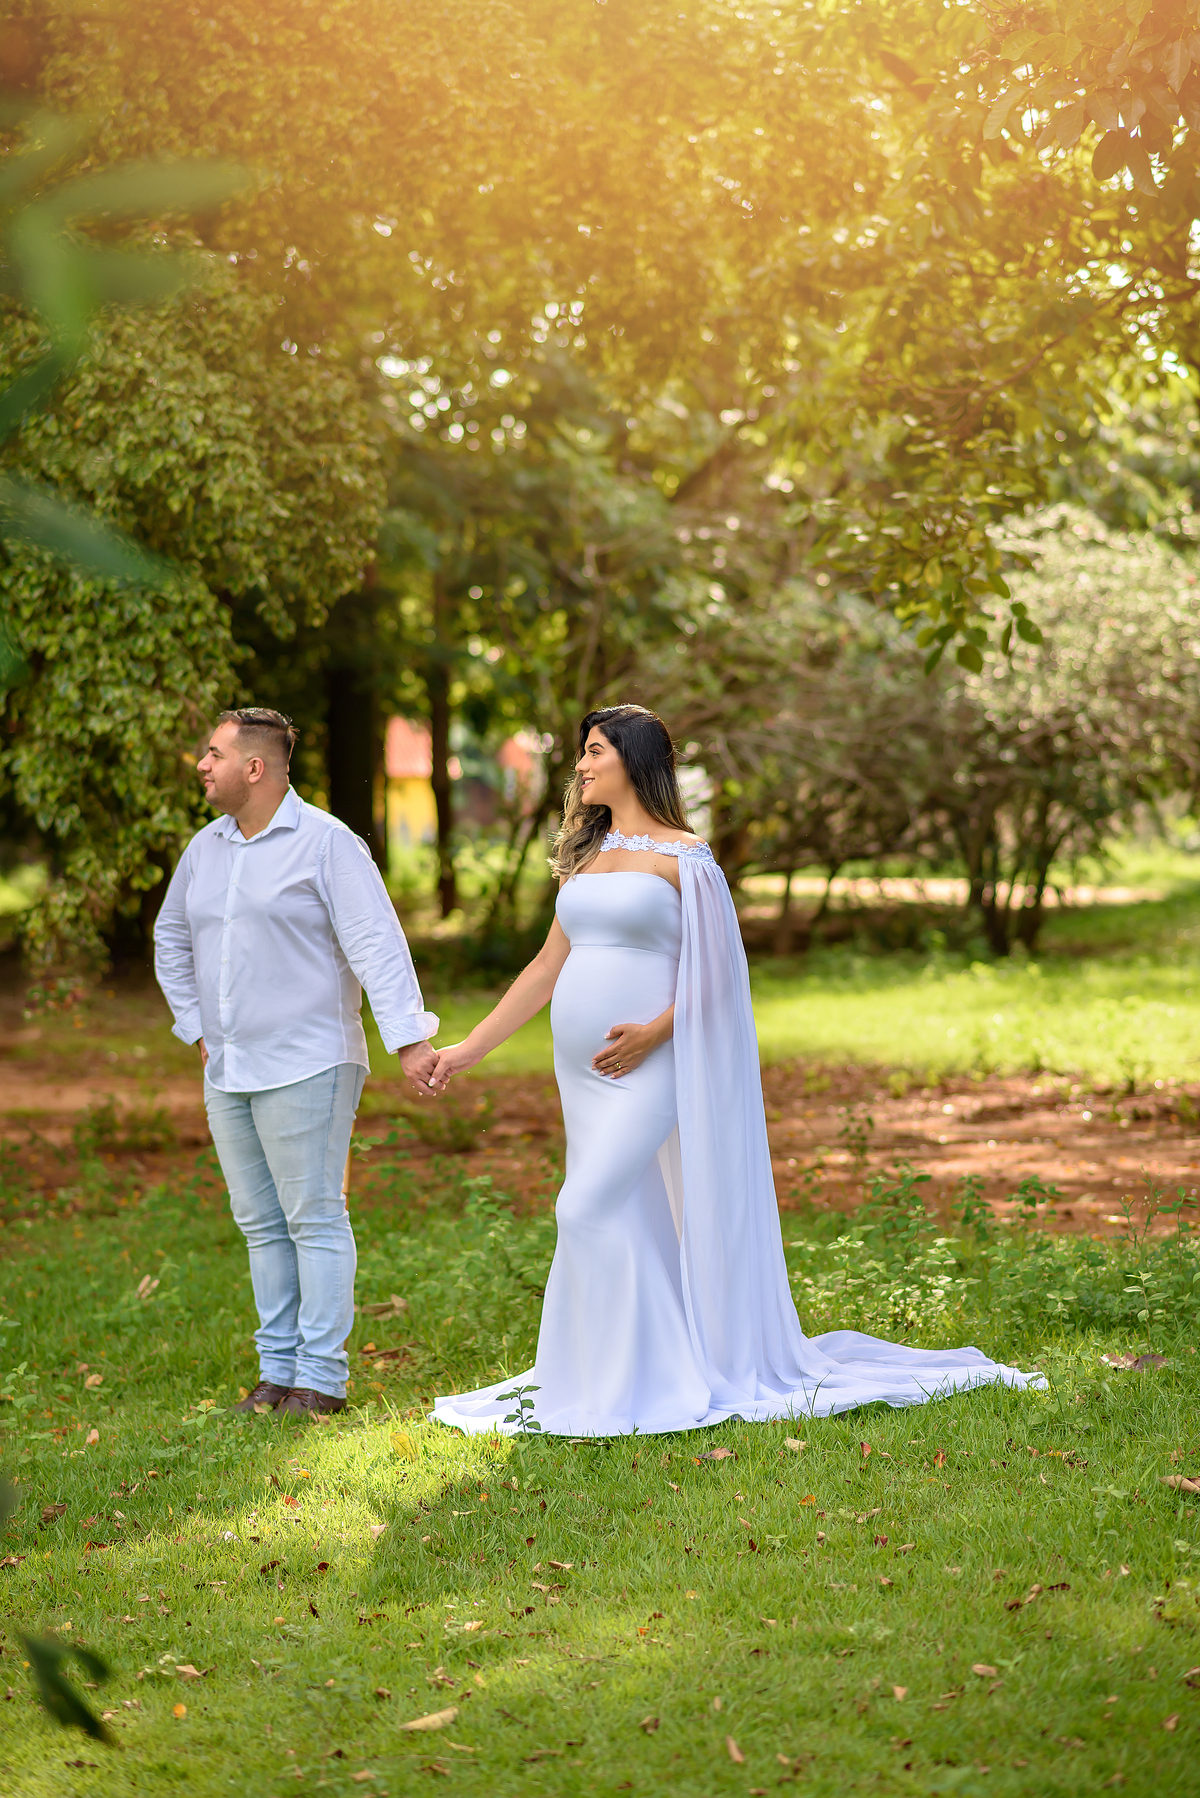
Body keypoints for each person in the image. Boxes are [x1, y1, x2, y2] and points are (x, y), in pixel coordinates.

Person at [427, 704, 1039, 1436]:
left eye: (594, 751)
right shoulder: (587, 855)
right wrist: (468, 1049)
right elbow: (545, 966)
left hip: (652, 1065)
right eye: (582, 753)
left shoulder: (687, 857)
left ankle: (659, 1372)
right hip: (581, 1073)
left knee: (582, 1208)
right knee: (623, 1212)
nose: (581, 766)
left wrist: (654, 1033)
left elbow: (720, 974)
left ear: (634, 760)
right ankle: (617, 1373)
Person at [154, 707, 439, 1419]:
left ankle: (320, 1380)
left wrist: (409, 1039)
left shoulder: (327, 844)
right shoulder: (206, 849)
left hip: (309, 1060)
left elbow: (376, 942)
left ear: (254, 767)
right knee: (260, 1223)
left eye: (214, 753)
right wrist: (196, 1026)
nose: (202, 764)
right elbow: (171, 938)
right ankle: (276, 1374)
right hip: (229, 1067)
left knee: (313, 1218)